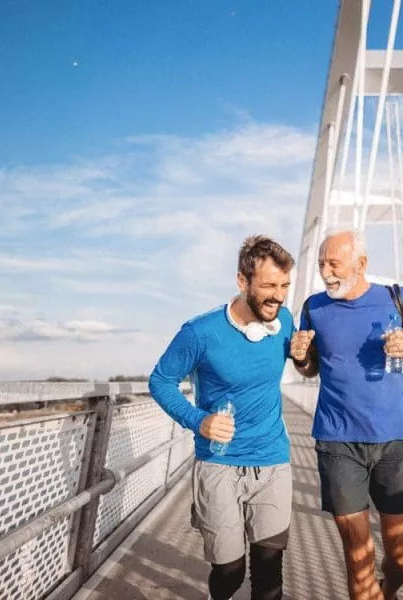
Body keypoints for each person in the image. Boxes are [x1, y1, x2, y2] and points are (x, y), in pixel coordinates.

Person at [290, 227, 403, 600]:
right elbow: (310, 369)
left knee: (402, 559)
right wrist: (301, 357)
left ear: (361, 263)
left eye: (334, 263)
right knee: (358, 555)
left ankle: (387, 591)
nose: (326, 272)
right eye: (321, 264)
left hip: (395, 440)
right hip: (338, 441)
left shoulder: (395, 299)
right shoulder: (313, 308)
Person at [149, 235, 296, 600]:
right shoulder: (200, 333)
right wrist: (198, 420)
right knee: (229, 571)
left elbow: (306, 365)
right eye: (268, 286)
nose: (277, 296)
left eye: (284, 286)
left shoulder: (285, 321)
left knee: (269, 571)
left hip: (272, 461)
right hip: (219, 463)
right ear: (242, 282)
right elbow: (161, 381)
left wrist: (306, 357)